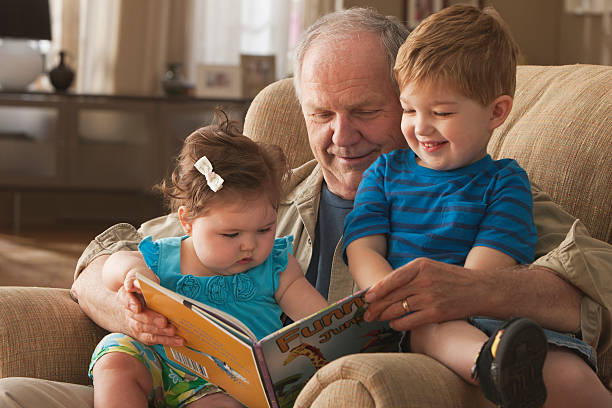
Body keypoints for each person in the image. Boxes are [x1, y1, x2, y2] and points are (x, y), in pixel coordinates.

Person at [1, 6, 610, 408]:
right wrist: (131, 308)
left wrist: (478, 292)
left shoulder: (485, 186)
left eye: (366, 112)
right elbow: (103, 258)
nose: (340, 137)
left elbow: (594, 278)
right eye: (321, 114)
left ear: (413, 101)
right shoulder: (266, 201)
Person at [343, 6, 609, 407]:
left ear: (496, 112)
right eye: (410, 109)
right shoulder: (383, 173)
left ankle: (506, 365)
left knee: (572, 376)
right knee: (432, 328)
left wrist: (451, 296)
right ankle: (490, 367)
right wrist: (390, 296)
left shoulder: (506, 182)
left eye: (442, 112)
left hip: (485, 313)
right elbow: (362, 245)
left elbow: (482, 273)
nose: (420, 127)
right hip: (407, 319)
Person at [89, 112, 328, 407]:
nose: (249, 246)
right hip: (161, 364)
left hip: (227, 385)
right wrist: (134, 273)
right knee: (114, 357)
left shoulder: (277, 266)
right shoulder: (165, 256)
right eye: (231, 235)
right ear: (187, 222)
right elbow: (112, 265)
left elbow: (321, 322)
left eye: (265, 229)